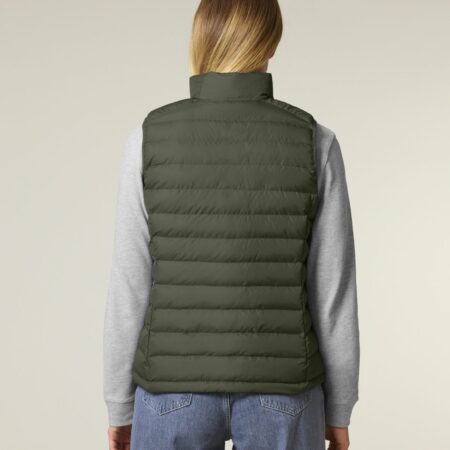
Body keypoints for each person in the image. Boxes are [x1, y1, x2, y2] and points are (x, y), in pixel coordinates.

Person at [103, 1, 360, 449]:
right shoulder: (314, 141)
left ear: (200, 38)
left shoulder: (147, 138)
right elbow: (333, 293)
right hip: (284, 392)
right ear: (271, 42)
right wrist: (339, 408)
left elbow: (129, 284)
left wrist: (118, 405)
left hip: (170, 392)